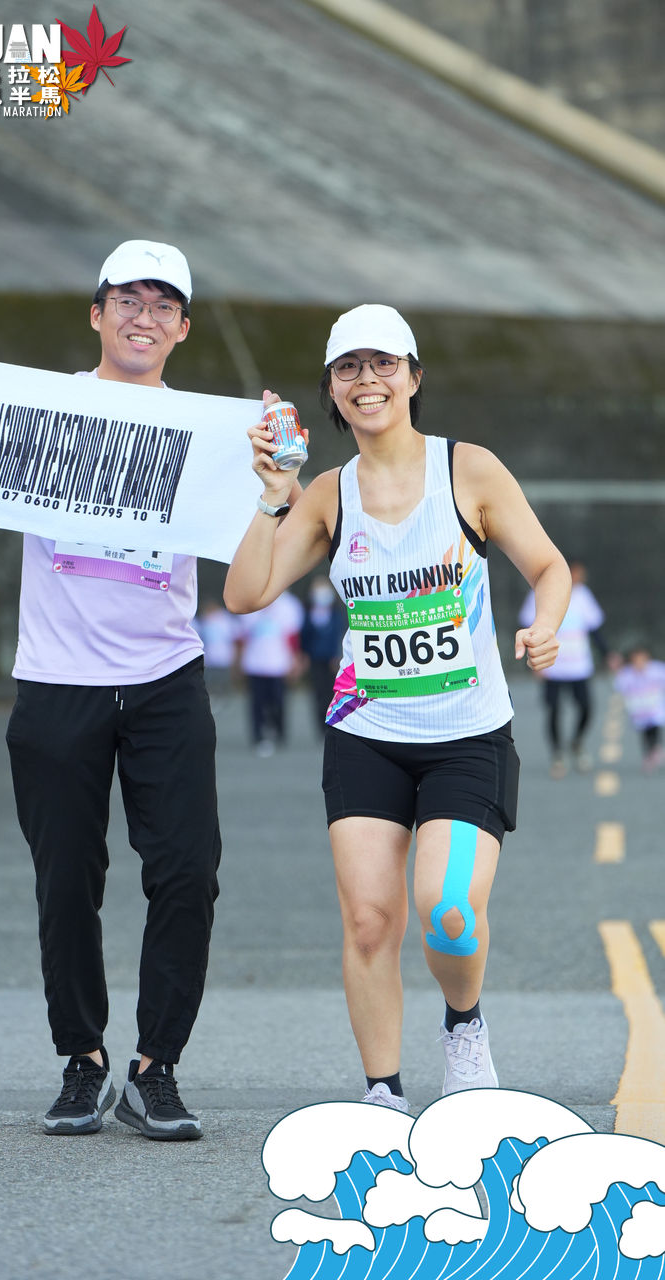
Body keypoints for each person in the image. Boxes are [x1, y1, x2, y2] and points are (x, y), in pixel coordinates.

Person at [0, 241, 233, 1142]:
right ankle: (83, 1058)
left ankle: (155, 1067)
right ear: (96, 314)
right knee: (65, 880)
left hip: (165, 679)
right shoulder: (41, 411)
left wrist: (275, 467)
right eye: (126, 300)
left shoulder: (209, 433)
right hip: (57, 681)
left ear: (182, 329)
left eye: (163, 305)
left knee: (188, 873)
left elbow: (266, 517)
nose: (143, 317)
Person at [224, 304, 570, 1112]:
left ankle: (463, 1026)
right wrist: (272, 498)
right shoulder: (326, 494)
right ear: (330, 391)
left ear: (413, 377)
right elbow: (245, 594)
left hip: (467, 737)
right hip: (365, 737)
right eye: (348, 368)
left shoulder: (467, 471)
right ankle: (382, 1093)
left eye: (383, 363)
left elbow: (548, 567)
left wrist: (544, 625)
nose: (367, 380)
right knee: (370, 922)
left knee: (447, 913)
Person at [519, 560, 607, 778]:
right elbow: (528, 629)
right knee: (554, 710)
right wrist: (533, 663)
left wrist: (608, 654)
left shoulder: (583, 596)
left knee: (586, 707)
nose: (579, 578)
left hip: (579, 666)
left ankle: (577, 742)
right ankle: (557, 754)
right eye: (575, 573)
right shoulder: (539, 593)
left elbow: (594, 629)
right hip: (552, 666)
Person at [235, 591, 304, 756]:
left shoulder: (289, 604)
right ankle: (258, 734)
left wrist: (295, 660)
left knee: (278, 701)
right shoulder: (249, 600)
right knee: (256, 702)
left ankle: (279, 731)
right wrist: (237, 662)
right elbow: (242, 636)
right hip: (255, 663)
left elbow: (293, 636)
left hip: (279, 664)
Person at [299, 576, 347, 733]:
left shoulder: (336, 613)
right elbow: (304, 635)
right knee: (318, 692)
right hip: (315, 658)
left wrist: (338, 655)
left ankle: (333, 722)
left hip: (333, 659)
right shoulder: (308, 612)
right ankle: (320, 725)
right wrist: (303, 654)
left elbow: (340, 635)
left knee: (332, 691)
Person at [612, 648, 665, 772]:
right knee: (645, 734)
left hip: (654, 708)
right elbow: (618, 686)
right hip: (639, 711)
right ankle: (648, 755)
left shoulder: (656, 670)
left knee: (655, 728)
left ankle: (656, 748)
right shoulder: (627, 674)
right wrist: (617, 671)